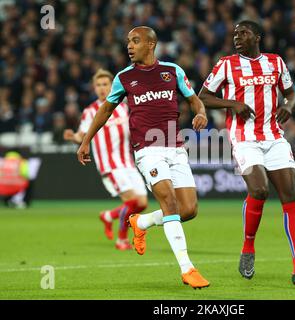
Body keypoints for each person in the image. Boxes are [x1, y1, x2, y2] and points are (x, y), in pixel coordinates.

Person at [77, 26, 210, 289]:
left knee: (189, 210)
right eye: (128, 41)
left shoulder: (172, 71)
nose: (129, 46)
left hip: (175, 147)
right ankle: (188, 269)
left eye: (135, 41)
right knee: (170, 203)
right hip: (147, 150)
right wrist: (86, 140)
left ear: (151, 44)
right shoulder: (124, 78)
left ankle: (143, 221)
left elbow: (194, 100)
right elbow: (105, 110)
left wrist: (202, 113)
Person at [199, 20, 295, 285]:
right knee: (259, 190)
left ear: (257, 36)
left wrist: (289, 107)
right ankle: (248, 247)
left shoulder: (276, 62)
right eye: (234, 34)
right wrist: (233, 103)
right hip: (244, 138)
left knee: (290, 194)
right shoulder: (226, 64)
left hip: (274, 136)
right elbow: (203, 96)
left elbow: (291, 94)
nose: (237, 37)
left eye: (243, 33)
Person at [64, 69, 149, 251]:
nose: (102, 88)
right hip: (109, 165)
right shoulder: (91, 111)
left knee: (142, 203)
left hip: (128, 163)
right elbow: (83, 135)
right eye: (98, 85)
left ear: (112, 86)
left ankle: (109, 215)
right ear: (94, 88)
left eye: (105, 84)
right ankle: (121, 240)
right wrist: (73, 137)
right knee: (132, 201)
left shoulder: (124, 108)